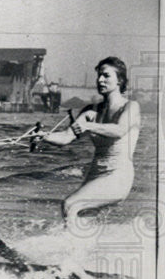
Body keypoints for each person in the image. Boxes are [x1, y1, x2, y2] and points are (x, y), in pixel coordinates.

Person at [33, 57, 140, 229]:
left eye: (106, 76)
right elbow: (67, 137)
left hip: (118, 177)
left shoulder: (131, 107)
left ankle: (70, 252)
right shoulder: (91, 111)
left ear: (119, 80)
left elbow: (119, 130)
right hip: (95, 175)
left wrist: (88, 125)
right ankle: (81, 251)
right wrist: (44, 136)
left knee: (70, 205)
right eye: (99, 76)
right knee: (82, 222)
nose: (100, 80)